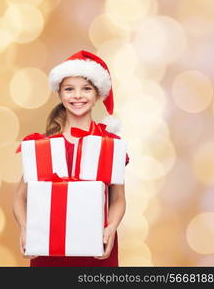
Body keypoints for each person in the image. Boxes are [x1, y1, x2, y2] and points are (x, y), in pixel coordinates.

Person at [13, 50, 129, 267]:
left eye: (86, 89)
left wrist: (111, 228)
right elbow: (20, 197)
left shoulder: (108, 144)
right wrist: (25, 228)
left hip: (97, 251)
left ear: (97, 95)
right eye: (69, 89)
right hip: (47, 252)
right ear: (60, 93)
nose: (77, 96)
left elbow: (118, 198)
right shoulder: (42, 146)